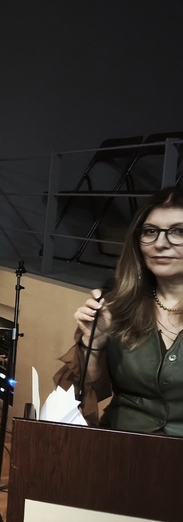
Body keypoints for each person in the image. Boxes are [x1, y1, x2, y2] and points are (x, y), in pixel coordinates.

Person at [56, 186, 183, 436]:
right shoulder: (116, 307)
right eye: (150, 231)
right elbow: (87, 392)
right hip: (121, 446)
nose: (160, 244)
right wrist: (94, 343)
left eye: (178, 231)